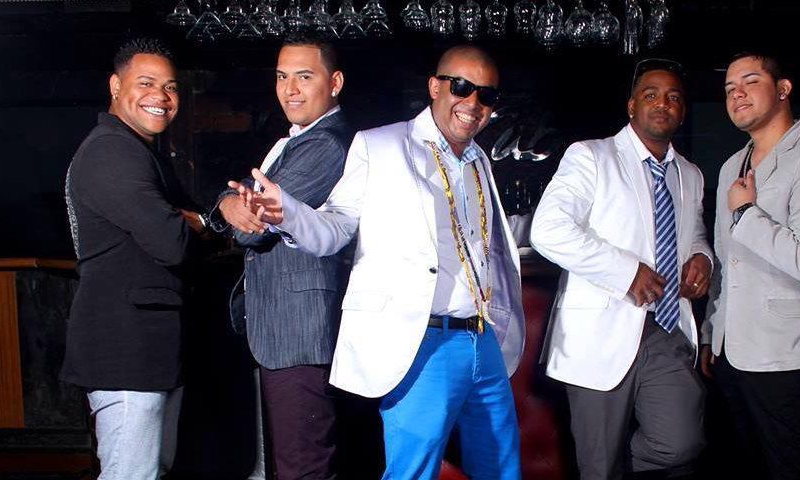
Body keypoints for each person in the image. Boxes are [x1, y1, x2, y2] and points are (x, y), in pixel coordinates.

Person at [237, 45, 525, 480]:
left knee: (501, 469)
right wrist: (289, 213)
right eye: (461, 87)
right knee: (412, 472)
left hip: (482, 338)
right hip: (422, 341)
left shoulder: (478, 159)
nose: (472, 102)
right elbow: (336, 226)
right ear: (435, 87)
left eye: (486, 95)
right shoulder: (381, 145)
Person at [530, 59, 711, 480]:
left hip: (666, 328)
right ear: (632, 106)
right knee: (599, 466)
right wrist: (626, 273)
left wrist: (703, 257)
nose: (663, 104)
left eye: (673, 97)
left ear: (682, 110)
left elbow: (695, 233)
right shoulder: (591, 156)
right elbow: (548, 230)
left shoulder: (690, 174)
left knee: (681, 443)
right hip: (600, 332)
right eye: (651, 95)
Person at [207, 32, 353, 480]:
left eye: (304, 77)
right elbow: (239, 203)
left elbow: (251, 230)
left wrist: (231, 209)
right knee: (291, 463)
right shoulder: (298, 139)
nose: (290, 89)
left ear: (334, 82)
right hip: (284, 328)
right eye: (281, 76)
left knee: (303, 466)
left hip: (300, 330)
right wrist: (225, 203)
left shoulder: (326, 143)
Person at [700, 52, 800, 480]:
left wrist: (746, 213)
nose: (737, 94)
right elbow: (725, 260)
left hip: (787, 353)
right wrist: (711, 332)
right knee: (743, 467)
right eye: (729, 88)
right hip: (731, 350)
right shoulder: (731, 166)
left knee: (790, 468)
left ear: (783, 89)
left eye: (750, 82)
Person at [63, 37, 203, 480]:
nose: (160, 96)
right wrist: (196, 221)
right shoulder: (111, 150)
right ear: (115, 86)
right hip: (124, 354)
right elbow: (173, 242)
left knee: (149, 472)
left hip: (151, 355)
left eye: (170, 87)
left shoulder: (141, 152)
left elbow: (183, 226)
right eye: (146, 82)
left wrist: (190, 219)